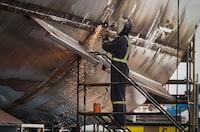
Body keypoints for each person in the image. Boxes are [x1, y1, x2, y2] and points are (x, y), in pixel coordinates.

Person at [101, 17, 133, 126]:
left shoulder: (120, 40)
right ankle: (119, 120)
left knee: (117, 96)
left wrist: (104, 37)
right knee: (119, 95)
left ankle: (118, 121)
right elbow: (115, 42)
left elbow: (106, 46)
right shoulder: (124, 39)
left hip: (119, 69)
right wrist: (109, 34)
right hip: (121, 68)